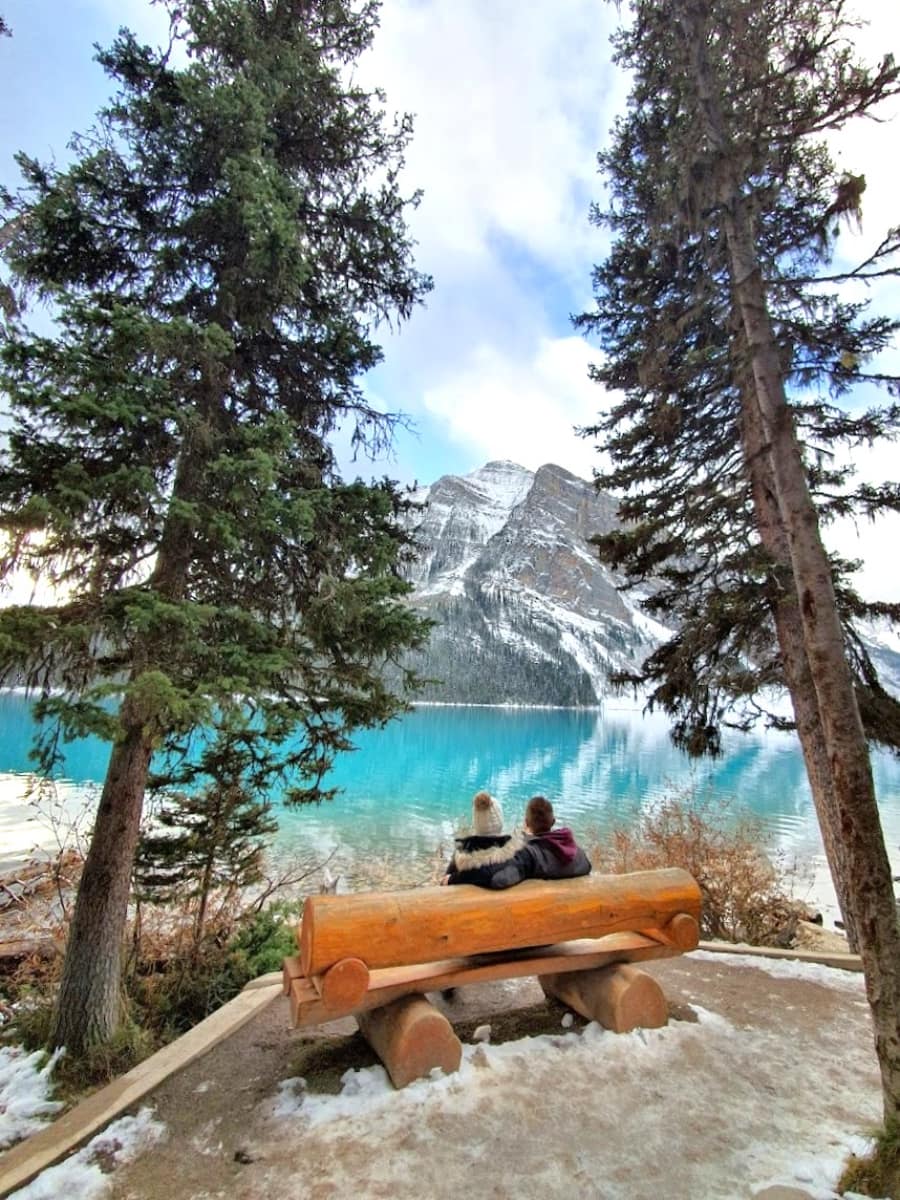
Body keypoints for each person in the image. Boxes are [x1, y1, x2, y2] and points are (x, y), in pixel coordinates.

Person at [485, 795, 591, 890]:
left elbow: (499, 880)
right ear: (553, 822)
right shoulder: (577, 852)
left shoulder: (530, 855)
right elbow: (587, 866)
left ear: (526, 823)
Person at [440, 790, 524, 887]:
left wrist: (454, 879)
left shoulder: (462, 857)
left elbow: (444, 883)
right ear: (500, 820)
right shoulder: (515, 853)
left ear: (476, 822)